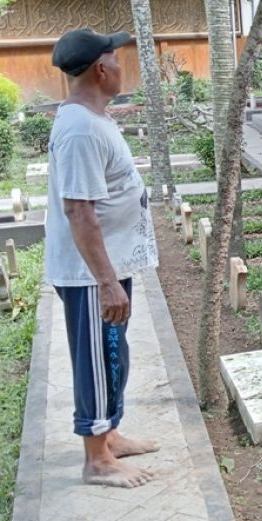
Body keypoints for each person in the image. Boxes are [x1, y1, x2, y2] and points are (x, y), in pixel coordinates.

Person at [44, 28, 160, 489]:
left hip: (107, 266)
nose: (121, 67)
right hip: (92, 275)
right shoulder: (78, 130)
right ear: (100, 70)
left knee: (114, 354)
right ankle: (97, 460)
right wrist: (107, 282)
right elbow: (79, 211)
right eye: (117, 60)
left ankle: (109, 433)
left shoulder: (94, 118)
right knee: (96, 358)